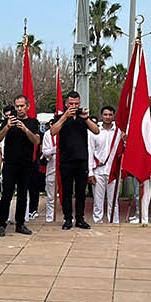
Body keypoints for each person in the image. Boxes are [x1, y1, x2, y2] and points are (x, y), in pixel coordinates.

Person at [51, 89, 99, 230]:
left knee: (80, 191)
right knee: (66, 192)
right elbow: (53, 131)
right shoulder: (60, 117)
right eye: (71, 103)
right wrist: (64, 117)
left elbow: (96, 131)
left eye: (76, 104)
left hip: (82, 159)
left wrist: (86, 118)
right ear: (66, 104)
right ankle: (67, 219)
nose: (73, 106)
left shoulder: (82, 117)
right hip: (66, 160)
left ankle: (80, 218)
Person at [0, 97, 40, 236]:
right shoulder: (7, 122)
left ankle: (20, 224)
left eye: (22, 106)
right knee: (6, 194)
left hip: (26, 164)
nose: (19, 109)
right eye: (17, 106)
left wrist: (25, 129)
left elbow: (36, 141)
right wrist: (7, 126)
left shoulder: (33, 122)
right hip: (10, 164)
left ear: (28, 106)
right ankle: (2, 224)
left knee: (22, 195)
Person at [90, 106, 121, 223]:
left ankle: (114, 221)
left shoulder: (119, 132)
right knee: (98, 201)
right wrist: (90, 172)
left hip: (113, 170)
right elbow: (90, 152)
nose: (108, 117)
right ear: (101, 116)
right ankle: (97, 221)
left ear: (113, 116)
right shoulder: (94, 132)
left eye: (110, 115)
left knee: (113, 201)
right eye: (105, 115)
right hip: (98, 170)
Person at [40, 121, 60, 222]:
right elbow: (45, 152)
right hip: (52, 168)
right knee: (51, 196)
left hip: (65, 168)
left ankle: (67, 216)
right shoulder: (48, 134)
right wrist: (54, 150)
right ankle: (50, 217)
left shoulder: (66, 131)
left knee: (66, 195)